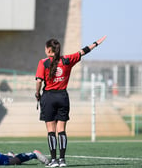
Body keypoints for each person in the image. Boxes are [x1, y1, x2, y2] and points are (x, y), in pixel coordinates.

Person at [35, 35, 107, 167]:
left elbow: (39, 81)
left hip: (48, 97)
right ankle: (62, 160)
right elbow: (83, 51)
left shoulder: (43, 62)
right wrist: (96, 43)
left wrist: (37, 94)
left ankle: (53, 160)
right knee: (61, 130)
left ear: (49, 50)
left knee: (51, 130)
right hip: (63, 97)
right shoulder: (67, 60)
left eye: (46, 48)